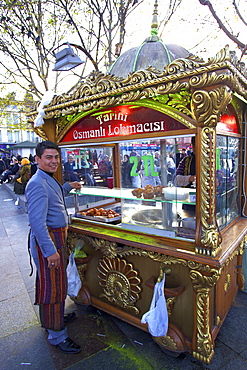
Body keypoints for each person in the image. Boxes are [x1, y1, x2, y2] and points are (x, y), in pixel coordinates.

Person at [25, 140, 82, 354]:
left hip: (56, 237)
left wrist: (68, 187)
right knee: (53, 288)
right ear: (38, 159)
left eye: (56, 157)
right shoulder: (36, 183)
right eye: (48, 157)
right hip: (49, 240)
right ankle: (57, 335)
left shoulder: (47, 179)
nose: (54, 161)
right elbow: (38, 223)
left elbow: (54, 198)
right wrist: (51, 252)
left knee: (55, 284)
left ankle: (53, 318)